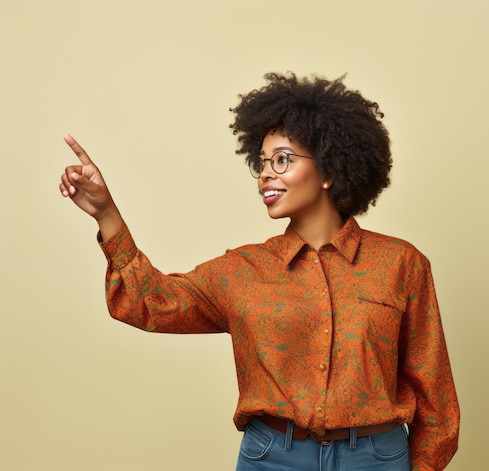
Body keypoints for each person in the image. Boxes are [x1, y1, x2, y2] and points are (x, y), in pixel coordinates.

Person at [59, 72, 460, 471]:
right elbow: (149, 304)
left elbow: (434, 392)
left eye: (282, 160)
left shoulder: (401, 264)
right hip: (273, 459)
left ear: (329, 170)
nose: (266, 174)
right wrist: (107, 214)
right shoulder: (242, 271)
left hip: (376, 459)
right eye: (262, 162)